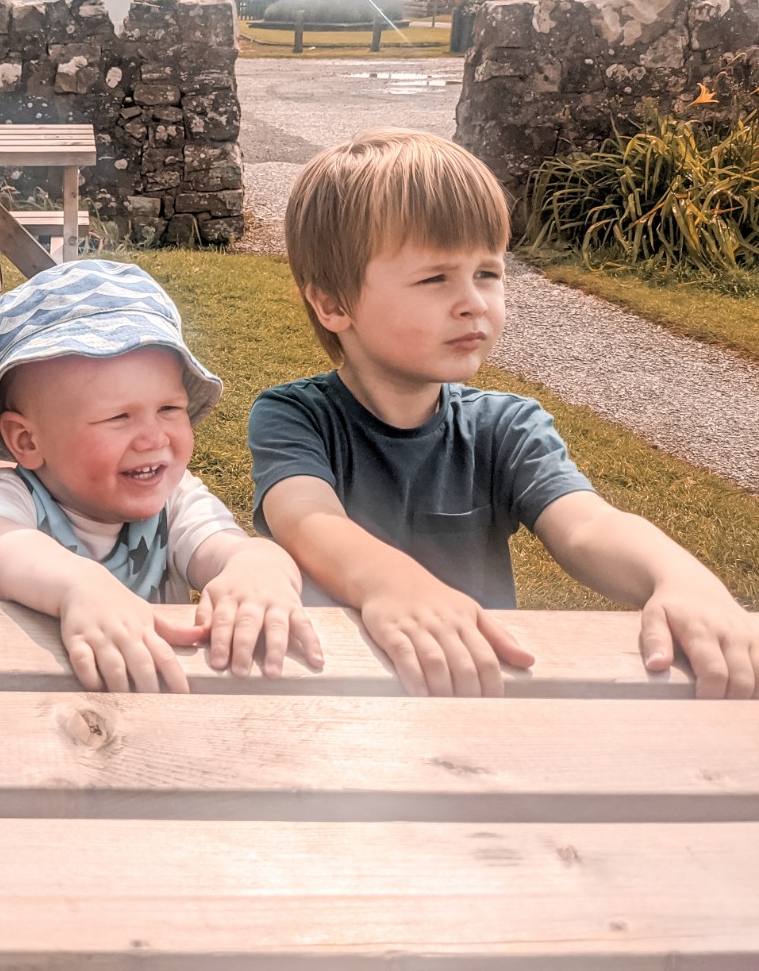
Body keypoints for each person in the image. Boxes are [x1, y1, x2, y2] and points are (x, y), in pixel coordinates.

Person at [250, 129, 759, 699]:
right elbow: (307, 521)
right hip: (339, 692)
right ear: (333, 304)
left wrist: (678, 576)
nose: (474, 301)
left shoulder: (507, 426)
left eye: (488, 273)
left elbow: (586, 525)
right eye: (435, 278)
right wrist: (394, 586)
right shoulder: (294, 416)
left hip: (479, 692)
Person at [0, 260, 324, 693]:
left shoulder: (175, 501)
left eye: (169, 409)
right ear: (28, 441)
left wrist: (257, 567)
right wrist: (78, 587)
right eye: (118, 417)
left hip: (144, 709)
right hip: (25, 714)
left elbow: (229, 550)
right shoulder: (10, 502)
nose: (153, 437)